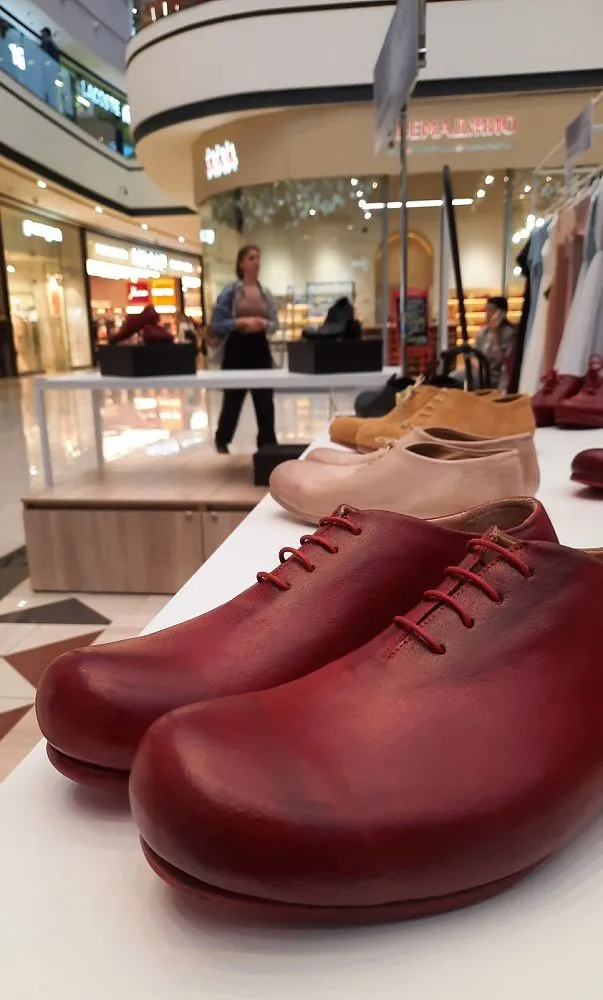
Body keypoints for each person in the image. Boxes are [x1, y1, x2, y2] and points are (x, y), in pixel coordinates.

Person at [210, 245, 278, 454]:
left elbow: (275, 323)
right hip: (236, 348)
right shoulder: (230, 292)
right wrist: (240, 322)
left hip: (260, 347)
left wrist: (263, 324)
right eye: (251, 258)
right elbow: (217, 323)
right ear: (241, 263)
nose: (256, 262)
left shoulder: (265, 293)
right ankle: (222, 440)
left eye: (258, 258)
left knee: (264, 399)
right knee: (233, 398)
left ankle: (268, 444)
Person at [475, 296, 517, 392]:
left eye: (491, 310)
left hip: (496, 376)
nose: (487, 313)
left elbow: (500, 361)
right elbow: (474, 355)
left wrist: (495, 333)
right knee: (454, 377)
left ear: (501, 314)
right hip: (480, 372)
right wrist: (479, 366)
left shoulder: (509, 333)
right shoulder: (482, 332)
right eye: (486, 310)